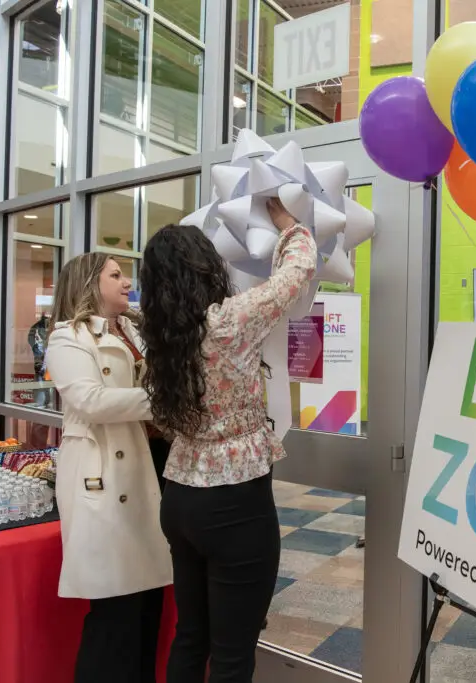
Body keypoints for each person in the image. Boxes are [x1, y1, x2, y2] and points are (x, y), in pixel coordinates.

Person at [138, 198, 316, 683]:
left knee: (191, 637)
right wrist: (286, 221)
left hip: (180, 499)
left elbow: (171, 420)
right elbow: (297, 272)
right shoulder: (229, 321)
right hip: (235, 505)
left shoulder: (162, 337)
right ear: (204, 267)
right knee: (233, 654)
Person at [45, 253, 171, 683]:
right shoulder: (68, 337)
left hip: (150, 464)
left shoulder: (135, 328)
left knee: (148, 601)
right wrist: (166, 399)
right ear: (88, 283)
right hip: (104, 473)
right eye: (115, 275)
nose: (126, 281)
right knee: (115, 606)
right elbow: (90, 402)